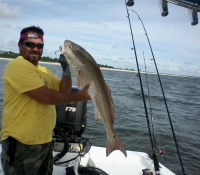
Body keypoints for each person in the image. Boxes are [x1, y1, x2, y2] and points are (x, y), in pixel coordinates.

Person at [0, 25, 90, 175]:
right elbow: (46, 97)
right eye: (30, 44)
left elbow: (64, 92)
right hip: (22, 144)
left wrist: (66, 72)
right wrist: (78, 97)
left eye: (39, 45)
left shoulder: (44, 71)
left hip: (45, 142)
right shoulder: (17, 65)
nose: (35, 49)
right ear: (19, 45)